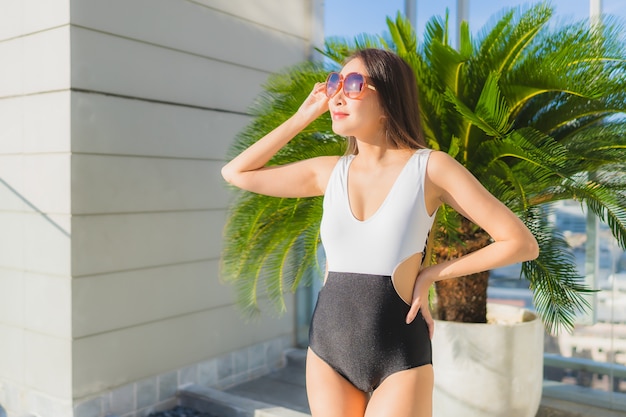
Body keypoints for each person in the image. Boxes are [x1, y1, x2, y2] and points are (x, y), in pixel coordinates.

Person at [221, 48, 539, 417]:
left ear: (389, 100)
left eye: (354, 84)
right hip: (328, 347)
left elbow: (520, 242)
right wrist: (301, 117)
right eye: (334, 83)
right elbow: (236, 173)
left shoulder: (431, 169)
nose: (337, 95)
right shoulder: (329, 172)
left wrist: (432, 274)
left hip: (399, 354)